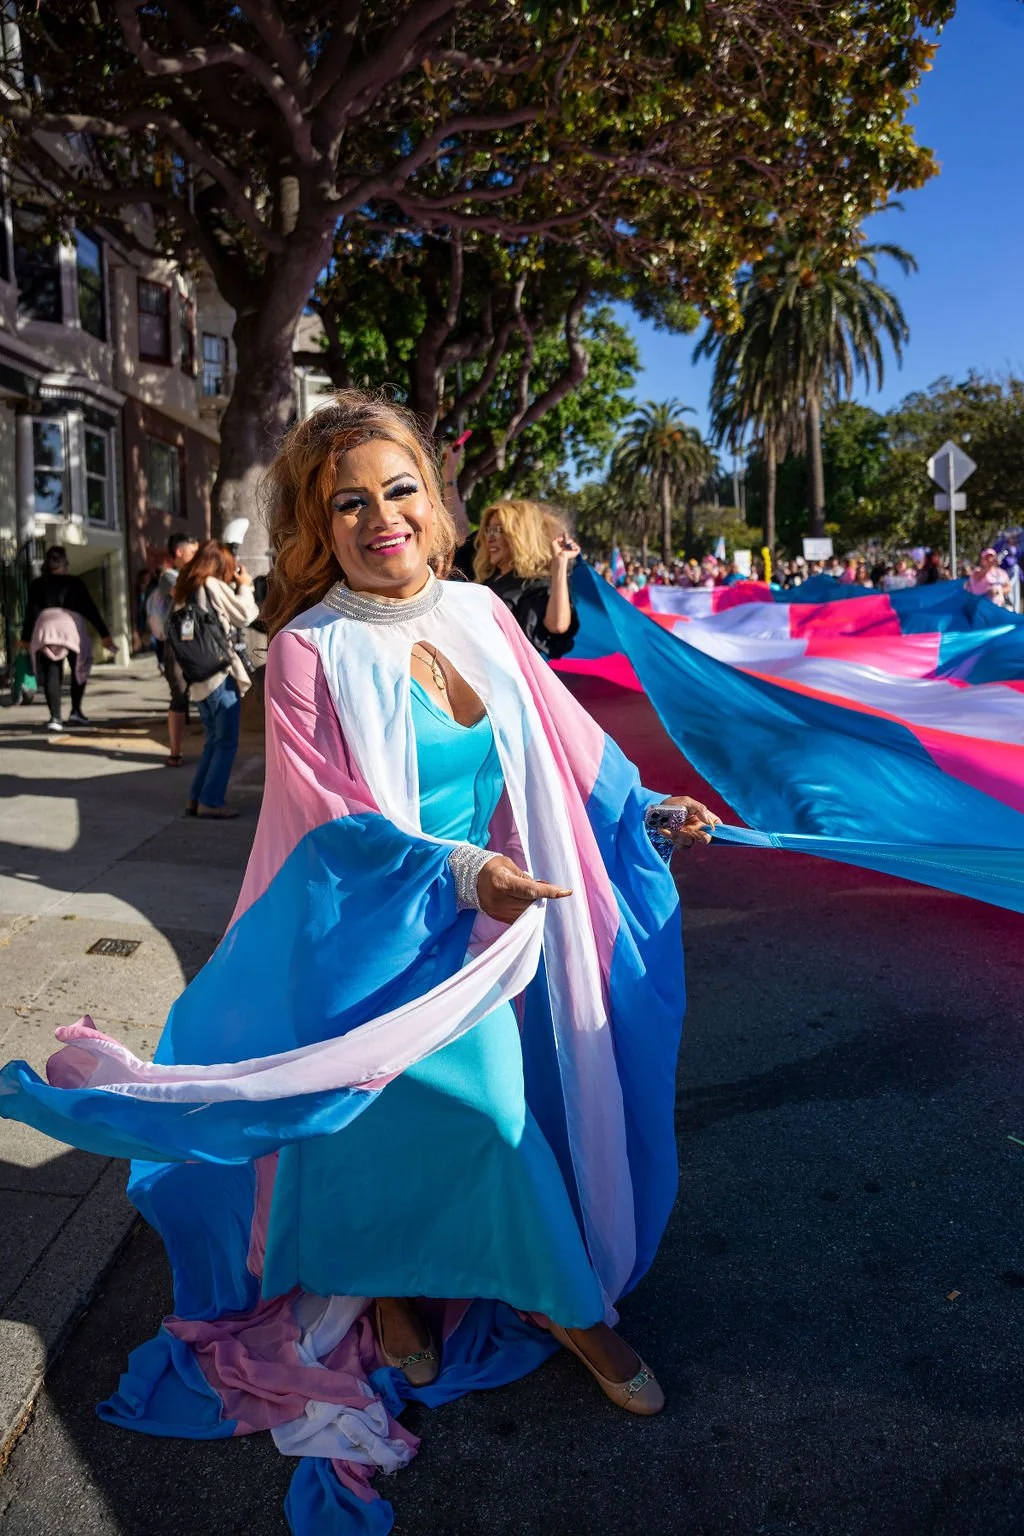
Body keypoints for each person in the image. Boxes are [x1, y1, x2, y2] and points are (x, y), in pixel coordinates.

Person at [0, 390, 721, 1530]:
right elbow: (334, 825)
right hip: (372, 942)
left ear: (434, 507)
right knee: (457, 1123)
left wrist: (650, 812)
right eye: (348, 502)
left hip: (489, 934)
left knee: (482, 1124)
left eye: (399, 490)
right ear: (315, 525)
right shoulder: (305, 651)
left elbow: (570, 754)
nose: (380, 516)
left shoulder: (485, 614)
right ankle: (460, 1300)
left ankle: (517, 1301)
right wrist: (457, 876)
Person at [170, 539, 258, 819]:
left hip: (198, 678)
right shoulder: (210, 585)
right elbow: (245, 614)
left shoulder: (185, 590)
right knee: (226, 742)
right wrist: (245, 585)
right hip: (219, 674)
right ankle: (211, 801)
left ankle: (195, 799)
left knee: (213, 741)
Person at [20, 546, 115, 731]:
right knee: (79, 668)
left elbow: (31, 612)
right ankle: (76, 712)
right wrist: (104, 634)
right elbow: (90, 608)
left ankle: (55, 718)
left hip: (46, 628)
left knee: (51, 673)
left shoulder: (38, 584)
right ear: (64, 564)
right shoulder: (75, 583)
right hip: (71, 627)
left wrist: (25, 638)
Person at [474, 498, 580, 659]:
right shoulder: (488, 578)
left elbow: (557, 626)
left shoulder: (536, 585)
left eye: (499, 530)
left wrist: (559, 563)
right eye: (488, 530)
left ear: (520, 535)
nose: (490, 537)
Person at [147, 531, 200, 766]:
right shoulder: (168, 577)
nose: (196, 557)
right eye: (193, 552)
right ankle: (175, 751)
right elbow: (182, 592)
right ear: (179, 552)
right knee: (179, 694)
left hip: (197, 642)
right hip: (177, 643)